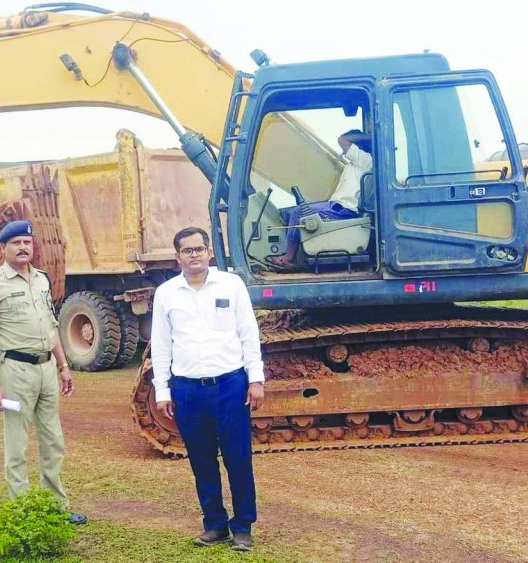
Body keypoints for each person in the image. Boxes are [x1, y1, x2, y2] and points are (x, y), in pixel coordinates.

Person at [150, 226, 265, 552]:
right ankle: (214, 524)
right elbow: (161, 345)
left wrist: (255, 379)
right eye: (187, 250)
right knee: (201, 460)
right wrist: (162, 391)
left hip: (230, 385)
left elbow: (248, 333)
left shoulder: (231, 284)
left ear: (210, 252)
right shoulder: (167, 294)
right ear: (177, 257)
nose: (194, 255)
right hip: (187, 390)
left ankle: (242, 526)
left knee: (238, 457)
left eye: (199, 249)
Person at [0, 220, 86, 525]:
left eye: (27, 242)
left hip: (46, 368)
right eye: (16, 243)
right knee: (17, 446)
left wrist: (63, 366)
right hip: (16, 370)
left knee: (53, 441)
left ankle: (55, 507)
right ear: (3, 248)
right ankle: (23, 513)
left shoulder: (41, 280)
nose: (23, 248)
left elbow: (51, 327)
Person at [269, 129, 372, 266]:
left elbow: (342, 139)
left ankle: (288, 257)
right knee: (286, 213)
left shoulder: (364, 159)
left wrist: (368, 137)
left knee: (297, 212)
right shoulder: (356, 164)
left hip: (343, 210)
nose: (344, 152)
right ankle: (296, 253)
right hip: (336, 206)